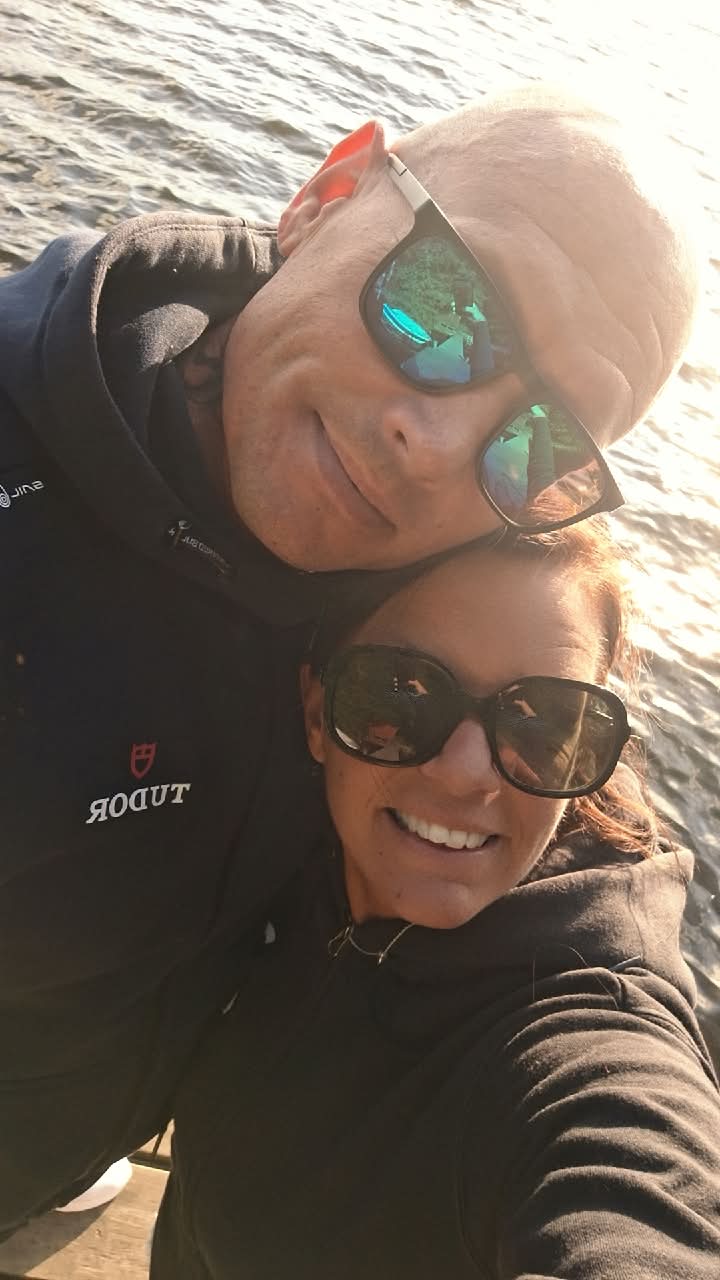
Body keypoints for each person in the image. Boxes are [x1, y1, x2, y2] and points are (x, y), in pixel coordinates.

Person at [0, 82, 701, 1233]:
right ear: (325, 195)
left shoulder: (443, 559)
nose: (437, 445)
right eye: (442, 305)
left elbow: (556, 823)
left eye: (541, 437)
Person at [150, 520, 720, 1279]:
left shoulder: (590, 1047)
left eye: (545, 719)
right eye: (402, 690)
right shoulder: (290, 828)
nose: (465, 772)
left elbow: (640, 1206)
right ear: (318, 712)